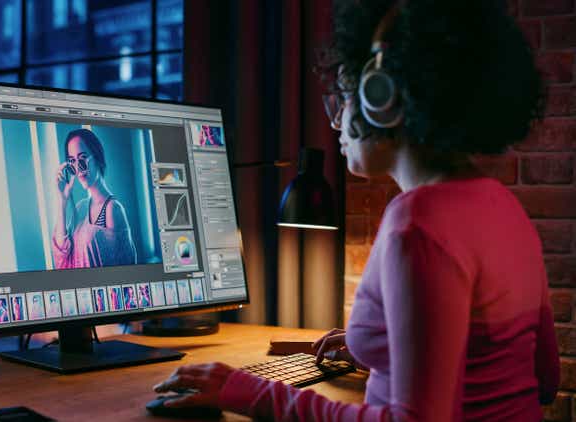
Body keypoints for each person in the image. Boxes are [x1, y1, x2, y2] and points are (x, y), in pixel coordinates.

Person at [153, 1, 559, 420]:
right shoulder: (505, 207)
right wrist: (389, 347)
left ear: (380, 97)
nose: (338, 119)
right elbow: (542, 377)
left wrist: (246, 390)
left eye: (346, 95)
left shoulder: (418, 225)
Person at [52, 129, 137, 269]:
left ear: (96, 157)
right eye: (72, 161)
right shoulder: (81, 207)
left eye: (83, 158)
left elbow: (124, 267)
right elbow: (61, 256)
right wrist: (62, 200)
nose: (78, 168)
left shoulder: (112, 209)